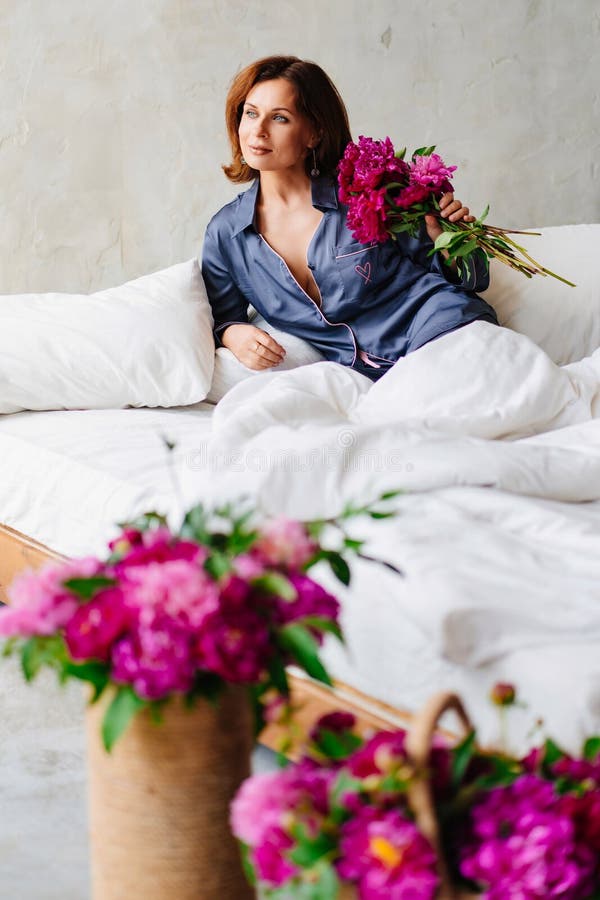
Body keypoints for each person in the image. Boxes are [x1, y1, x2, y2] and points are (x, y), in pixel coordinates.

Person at [201, 55, 498, 382]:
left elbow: (474, 279)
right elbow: (220, 318)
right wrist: (233, 334)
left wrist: (449, 239)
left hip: (443, 331)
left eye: (280, 118)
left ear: (313, 133)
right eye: (251, 113)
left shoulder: (366, 192)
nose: (258, 131)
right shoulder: (226, 234)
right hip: (367, 377)